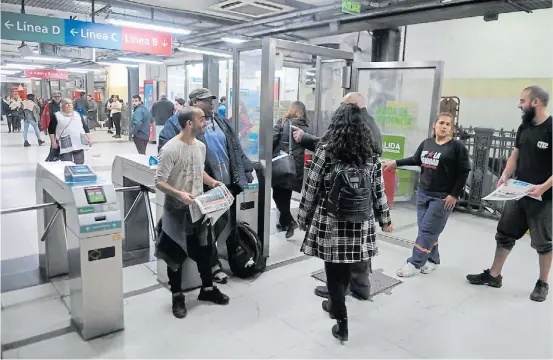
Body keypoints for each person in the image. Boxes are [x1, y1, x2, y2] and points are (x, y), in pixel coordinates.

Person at [298, 103, 393, 343]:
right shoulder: (370, 153)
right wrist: (385, 218)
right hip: (360, 222)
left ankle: (342, 324)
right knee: (347, 267)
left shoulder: (327, 150)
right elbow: (378, 190)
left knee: (334, 272)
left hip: (332, 221)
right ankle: (333, 303)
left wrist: (303, 216)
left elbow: (311, 187)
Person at [292, 92, 382, 302]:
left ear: (353, 106)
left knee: (340, 252)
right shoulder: (368, 125)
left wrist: (304, 215)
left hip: (343, 203)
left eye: (343, 104)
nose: (339, 108)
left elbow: (332, 152)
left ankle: (340, 291)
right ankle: (359, 287)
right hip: (361, 206)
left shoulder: (360, 125)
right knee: (357, 249)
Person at [467, 86, 552, 302]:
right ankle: (494, 275)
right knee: (504, 234)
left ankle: (543, 283)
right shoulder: (524, 128)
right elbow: (516, 154)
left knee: (543, 243)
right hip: (519, 192)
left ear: (535, 102)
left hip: (544, 197)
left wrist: (543, 187)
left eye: (523, 101)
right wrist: (505, 174)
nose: (519, 105)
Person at [154, 107, 230, 319]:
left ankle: (208, 290)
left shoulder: (200, 147)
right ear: (189, 123)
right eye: (201, 119)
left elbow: (199, 170)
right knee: (174, 255)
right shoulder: (170, 149)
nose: (205, 122)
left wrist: (213, 182)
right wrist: (179, 194)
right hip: (176, 211)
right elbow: (159, 181)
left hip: (198, 209)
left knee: (205, 251)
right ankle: (177, 296)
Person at [383, 112, 471, 277]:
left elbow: (464, 171)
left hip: (442, 197)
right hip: (423, 193)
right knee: (427, 230)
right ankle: (433, 260)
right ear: (434, 125)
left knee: (427, 230)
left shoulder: (457, 147)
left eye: (448, 124)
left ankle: (415, 263)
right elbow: (416, 159)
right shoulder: (427, 143)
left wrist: (454, 195)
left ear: (451, 128)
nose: (444, 127)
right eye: (441, 123)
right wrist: (395, 163)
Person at [190, 88, 255, 284]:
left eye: (212, 100)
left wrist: (247, 168)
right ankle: (212, 264)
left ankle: (214, 259)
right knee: (209, 225)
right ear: (194, 103)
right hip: (204, 182)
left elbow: (235, 146)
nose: (211, 104)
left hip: (226, 181)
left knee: (222, 221)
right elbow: (167, 144)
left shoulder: (221, 121)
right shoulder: (184, 121)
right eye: (206, 101)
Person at [272, 101, 311, 238]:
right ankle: (285, 223)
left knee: (277, 195)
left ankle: (289, 221)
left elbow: (272, 139)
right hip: (296, 168)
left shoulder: (283, 123)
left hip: (282, 164)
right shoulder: (305, 126)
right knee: (285, 196)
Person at [49, 98, 92, 164]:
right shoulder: (56, 116)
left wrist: (89, 139)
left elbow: (85, 127)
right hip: (65, 142)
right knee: (66, 163)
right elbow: (51, 130)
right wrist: (53, 142)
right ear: (62, 105)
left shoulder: (77, 114)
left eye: (70, 103)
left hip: (78, 142)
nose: (69, 105)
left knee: (80, 163)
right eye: (66, 104)